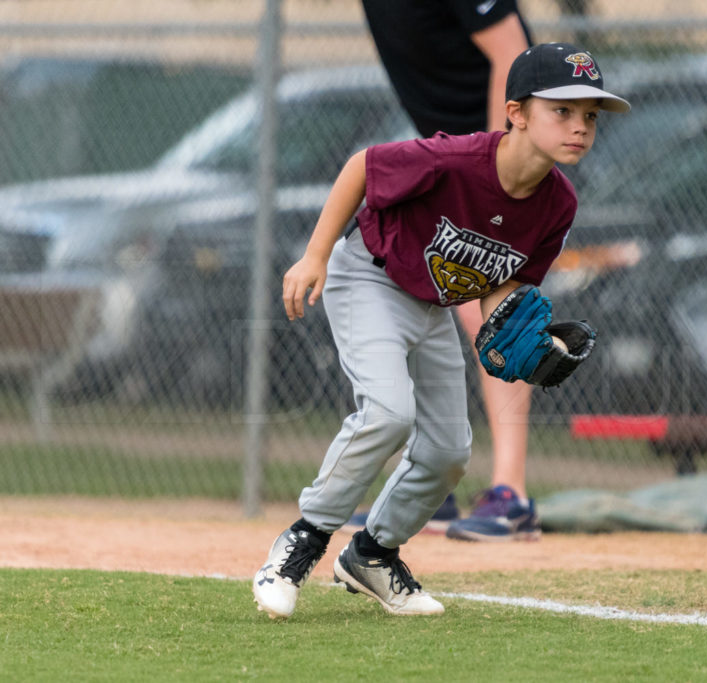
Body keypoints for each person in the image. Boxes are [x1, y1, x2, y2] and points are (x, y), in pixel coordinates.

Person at [252, 42, 630, 618]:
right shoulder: (456, 160)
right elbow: (363, 166)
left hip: (432, 305)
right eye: (562, 111)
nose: (579, 126)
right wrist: (315, 255)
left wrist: (524, 334)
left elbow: (507, 280)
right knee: (387, 413)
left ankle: (372, 555)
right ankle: (301, 542)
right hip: (371, 277)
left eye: (589, 117)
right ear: (517, 114)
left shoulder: (558, 204)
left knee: (450, 450)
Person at [357, 0, 541, 541]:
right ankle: (427, 489)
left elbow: (514, 55)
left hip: (502, 153)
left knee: (497, 315)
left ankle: (512, 493)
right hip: (450, 159)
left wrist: (495, 164)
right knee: (411, 296)